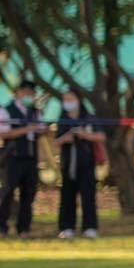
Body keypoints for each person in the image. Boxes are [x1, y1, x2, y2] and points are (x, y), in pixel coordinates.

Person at [54, 89, 105, 239]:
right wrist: (66, 138)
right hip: (68, 163)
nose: (67, 103)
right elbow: (56, 141)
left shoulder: (89, 118)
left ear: (78, 99)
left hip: (87, 163)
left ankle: (90, 227)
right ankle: (66, 227)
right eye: (65, 100)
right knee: (67, 197)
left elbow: (101, 136)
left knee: (88, 196)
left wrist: (85, 135)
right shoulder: (62, 119)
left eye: (70, 99)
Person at [0, 80, 46, 239]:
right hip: (13, 156)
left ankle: (23, 229)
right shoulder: (6, 111)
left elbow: (41, 131)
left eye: (31, 92)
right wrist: (25, 129)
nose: (28, 95)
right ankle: (2, 227)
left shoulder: (35, 112)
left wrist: (38, 129)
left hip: (31, 157)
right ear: (17, 92)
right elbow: (3, 133)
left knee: (29, 194)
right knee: (7, 192)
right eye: (25, 91)